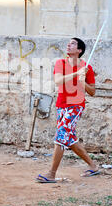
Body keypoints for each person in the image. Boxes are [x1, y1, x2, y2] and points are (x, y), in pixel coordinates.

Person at [36, 38, 99, 183]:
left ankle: (51, 174)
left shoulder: (87, 68)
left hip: (76, 106)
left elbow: (92, 92)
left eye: (73, 44)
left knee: (61, 135)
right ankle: (93, 166)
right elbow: (58, 81)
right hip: (61, 105)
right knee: (69, 140)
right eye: (68, 43)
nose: (68, 45)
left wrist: (83, 82)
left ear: (79, 50)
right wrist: (77, 74)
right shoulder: (61, 63)